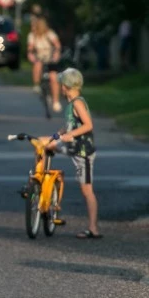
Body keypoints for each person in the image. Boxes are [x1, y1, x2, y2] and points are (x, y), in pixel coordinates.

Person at [43, 68, 101, 239]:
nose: (60, 88)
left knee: (87, 190)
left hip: (82, 151)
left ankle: (93, 228)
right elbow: (68, 127)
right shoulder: (71, 104)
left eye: (61, 84)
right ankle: (45, 187)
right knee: (46, 147)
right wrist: (55, 136)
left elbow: (88, 125)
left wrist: (70, 135)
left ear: (66, 86)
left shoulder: (77, 103)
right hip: (73, 147)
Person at [27, 17, 63, 112]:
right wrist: (31, 55)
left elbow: (57, 45)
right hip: (39, 57)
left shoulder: (50, 34)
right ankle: (36, 84)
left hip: (50, 57)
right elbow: (30, 48)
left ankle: (56, 101)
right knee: (37, 64)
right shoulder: (32, 36)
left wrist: (56, 54)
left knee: (53, 77)